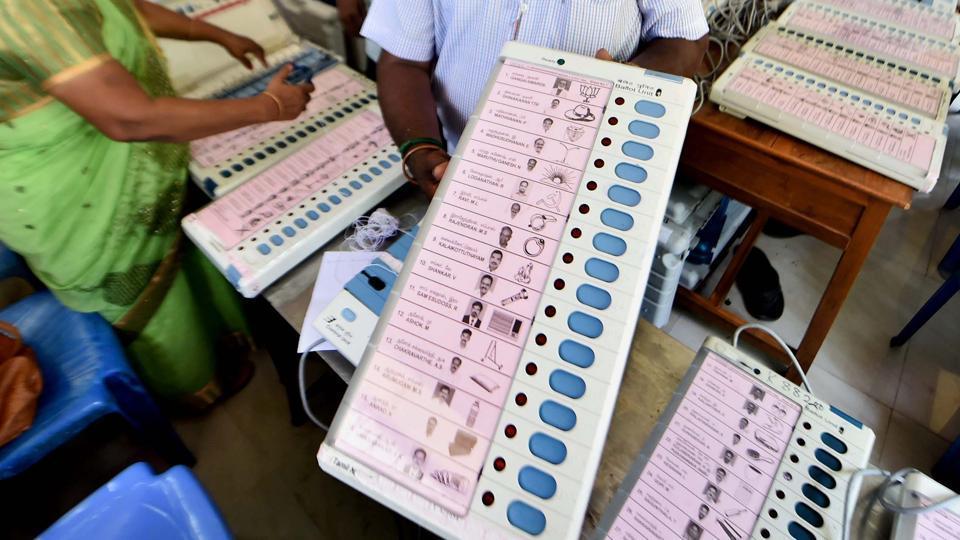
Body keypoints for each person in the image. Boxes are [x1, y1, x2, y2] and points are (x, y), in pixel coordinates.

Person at [0, 0, 313, 410]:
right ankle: (188, 387)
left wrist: (214, 33)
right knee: (143, 300)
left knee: (183, 263)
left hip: (123, 171)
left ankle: (220, 348)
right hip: (75, 194)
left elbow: (118, 9)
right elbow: (129, 118)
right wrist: (268, 107)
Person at [362, 1, 709, 197]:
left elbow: (684, 39)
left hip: (588, 177)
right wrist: (421, 149)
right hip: (465, 173)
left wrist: (627, 81)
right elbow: (403, 60)